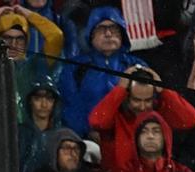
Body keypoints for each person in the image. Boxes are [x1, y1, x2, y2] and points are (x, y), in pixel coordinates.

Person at [88, 65, 195, 172]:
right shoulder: (114, 115)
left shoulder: (160, 112)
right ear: (126, 96)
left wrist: (164, 90)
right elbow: (97, 122)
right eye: (136, 100)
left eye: (147, 100)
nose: (142, 107)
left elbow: (191, 120)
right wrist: (120, 88)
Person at [58, 6, 146, 136]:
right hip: (87, 141)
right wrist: (89, 132)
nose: (108, 34)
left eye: (114, 29)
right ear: (90, 35)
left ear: (123, 35)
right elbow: (70, 107)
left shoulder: (136, 66)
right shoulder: (74, 68)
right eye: (101, 29)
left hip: (130, 139)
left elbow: (146, 108)